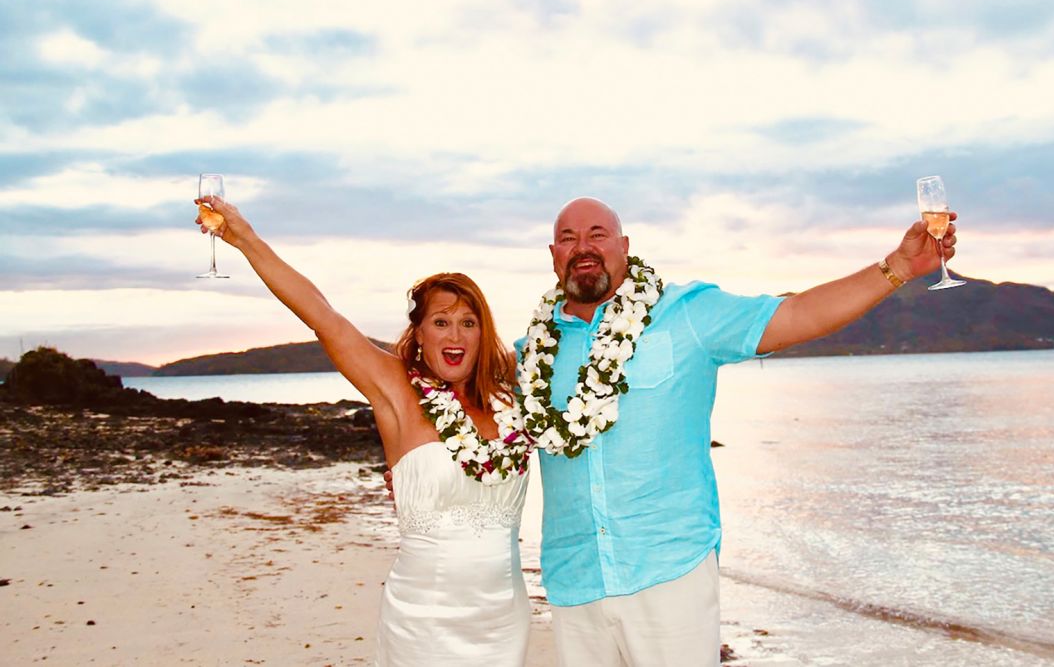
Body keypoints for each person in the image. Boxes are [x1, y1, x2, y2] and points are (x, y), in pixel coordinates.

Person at [515, 196, 960, 667]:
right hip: (574, 582)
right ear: (553, 255)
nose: (583, 247)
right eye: (569, 239)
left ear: (625, 246)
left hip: (670, 576)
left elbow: (798, 315)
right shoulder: (532, 355)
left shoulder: (687, 314)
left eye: (597, 235)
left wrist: (898, 267)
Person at [195, 197, 534, 666]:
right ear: (419, 333)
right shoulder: (395, 390)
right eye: (441, 322)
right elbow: (322, 315)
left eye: (467, 323)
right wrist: (246, 240)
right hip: (425, 622)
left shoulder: (510, 399)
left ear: (482, 332)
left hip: (504, 621)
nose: (455, 336)